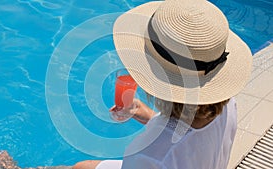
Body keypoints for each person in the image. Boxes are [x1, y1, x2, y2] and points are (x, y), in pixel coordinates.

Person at [72, 0, 253, 168]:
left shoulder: (151, 156)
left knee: (81, 167)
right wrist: (144, 114)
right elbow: (188, 139)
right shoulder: (227, 104)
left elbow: (167, 151)